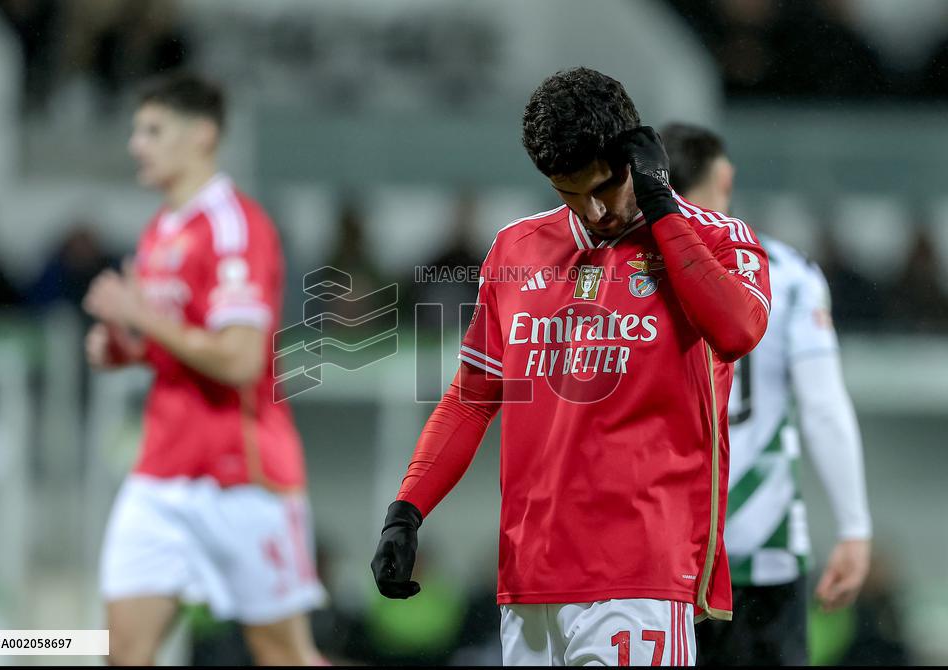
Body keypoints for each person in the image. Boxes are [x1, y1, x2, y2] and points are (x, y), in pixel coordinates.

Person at [370, 67, 773, 666]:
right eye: (567, 191)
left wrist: (662, 208)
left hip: (640, 571)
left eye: (606, 186)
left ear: (637, 155)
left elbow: (738, 330)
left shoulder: (716, 240)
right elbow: (474, 395)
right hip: (529, 580)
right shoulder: (515, 249)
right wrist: (407, 508)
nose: (593, 209)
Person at [82, 73, 326, 666]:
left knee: (284, 657)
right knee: (120, 652)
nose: (137, 143)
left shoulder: (235, 226)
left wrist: (140, 314)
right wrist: (121, 344)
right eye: (137, 130)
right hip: (161, 475)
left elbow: (240, 359)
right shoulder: (161, 230)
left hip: (241, 476)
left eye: (153, 129)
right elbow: (172, 346)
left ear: (203, 135)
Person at [661, 122, 872, 666]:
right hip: (761, 546)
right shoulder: (786, 273)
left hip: (658, 545)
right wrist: (854, 527)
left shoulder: (625, 270)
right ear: (724, 176)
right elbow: (822, 407)